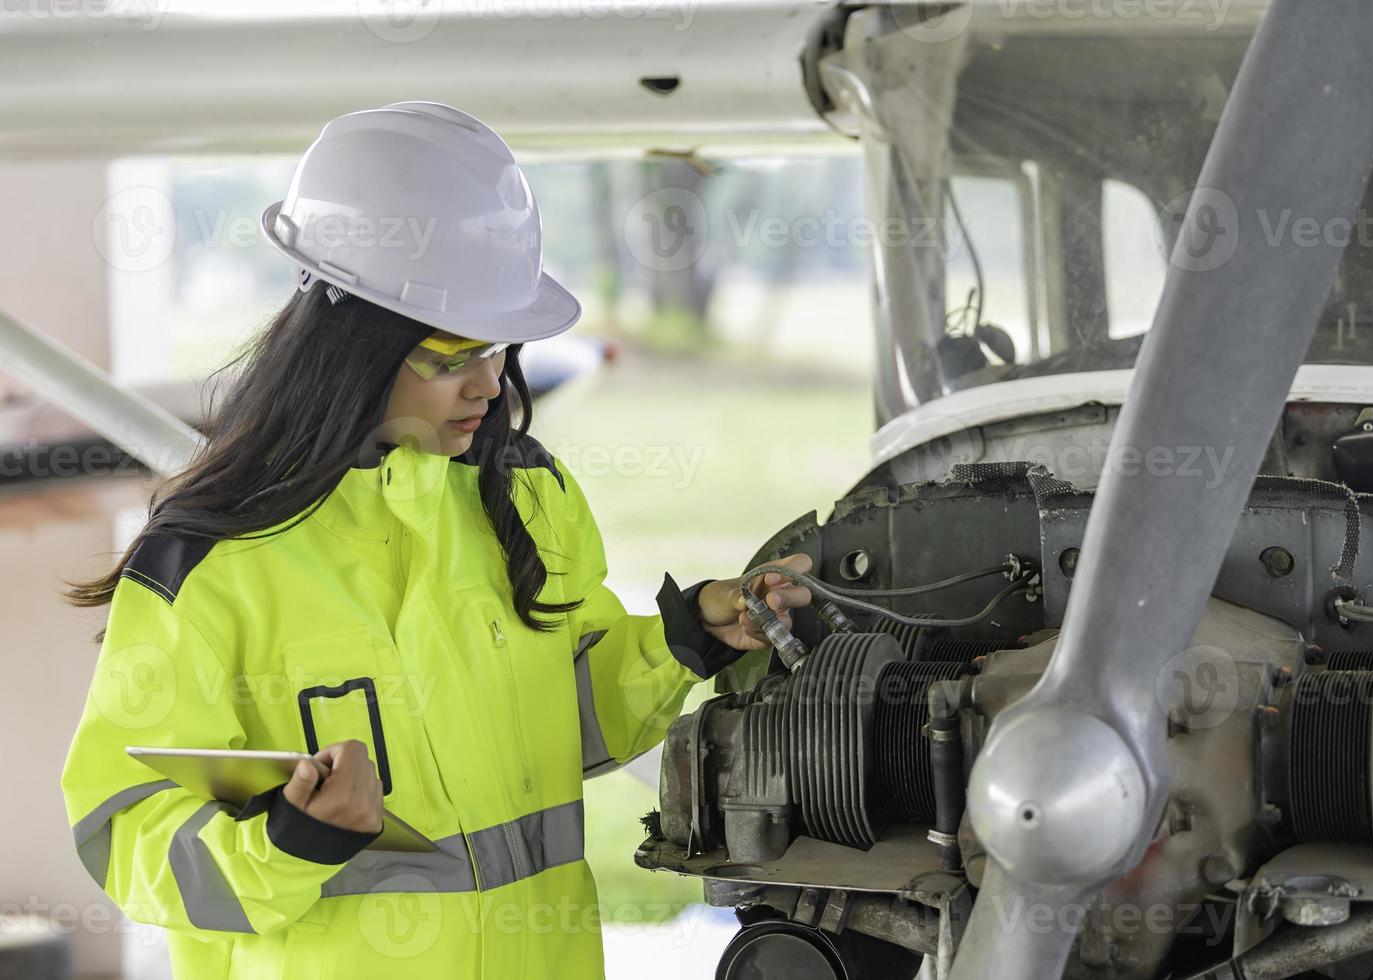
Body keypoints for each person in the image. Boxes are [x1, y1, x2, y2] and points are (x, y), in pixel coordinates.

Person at [59, 101, 811, 978]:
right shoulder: (211, 564)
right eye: (449, 357)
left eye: (496, 348)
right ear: (349, 346)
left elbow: (554, 731)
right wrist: (290, 845)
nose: (488, 385)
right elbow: (124, 829)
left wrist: (683, 641)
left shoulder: (525, 498)